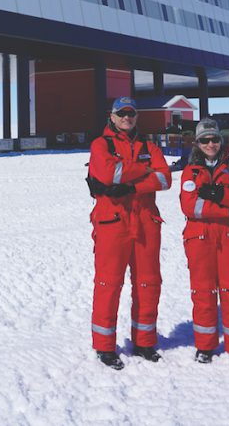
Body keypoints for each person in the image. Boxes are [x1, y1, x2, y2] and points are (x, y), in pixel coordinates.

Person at [86, 97, 172, 370]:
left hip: (146, 222)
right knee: (108, 284)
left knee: (148, 283)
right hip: (113, 223)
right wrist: (144, 169)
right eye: (121, 113)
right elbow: (110, 173)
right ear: (111, 116)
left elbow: (165, 179)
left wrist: (133, 186)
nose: (126, 117)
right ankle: (104, 346)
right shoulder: (101, 145)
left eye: (131, 113)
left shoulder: (149, 146)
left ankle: (144, 342)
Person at [179, 118, 229, 371]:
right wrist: (227, 208)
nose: (210, 144)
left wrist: (220, 194)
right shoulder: (189, 172)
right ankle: (205, 346)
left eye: (214, 139)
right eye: (205, 140)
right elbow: (191, 206)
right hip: (199, 238)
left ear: (220, 141)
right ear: (197, 143)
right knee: (203, 292)